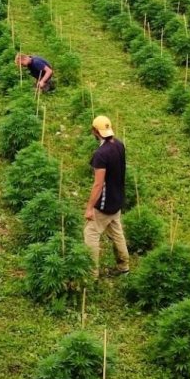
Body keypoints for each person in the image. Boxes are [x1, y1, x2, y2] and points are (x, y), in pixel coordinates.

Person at [83, 115, 129, 278]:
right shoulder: (119, 145)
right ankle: (124, 266)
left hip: (105, 203)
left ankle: (91, 274)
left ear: (95, 131)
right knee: (117, 232)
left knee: (91, 234)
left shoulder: (101, 154)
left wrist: (89, 208)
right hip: (117, 199)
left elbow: (98, 184)